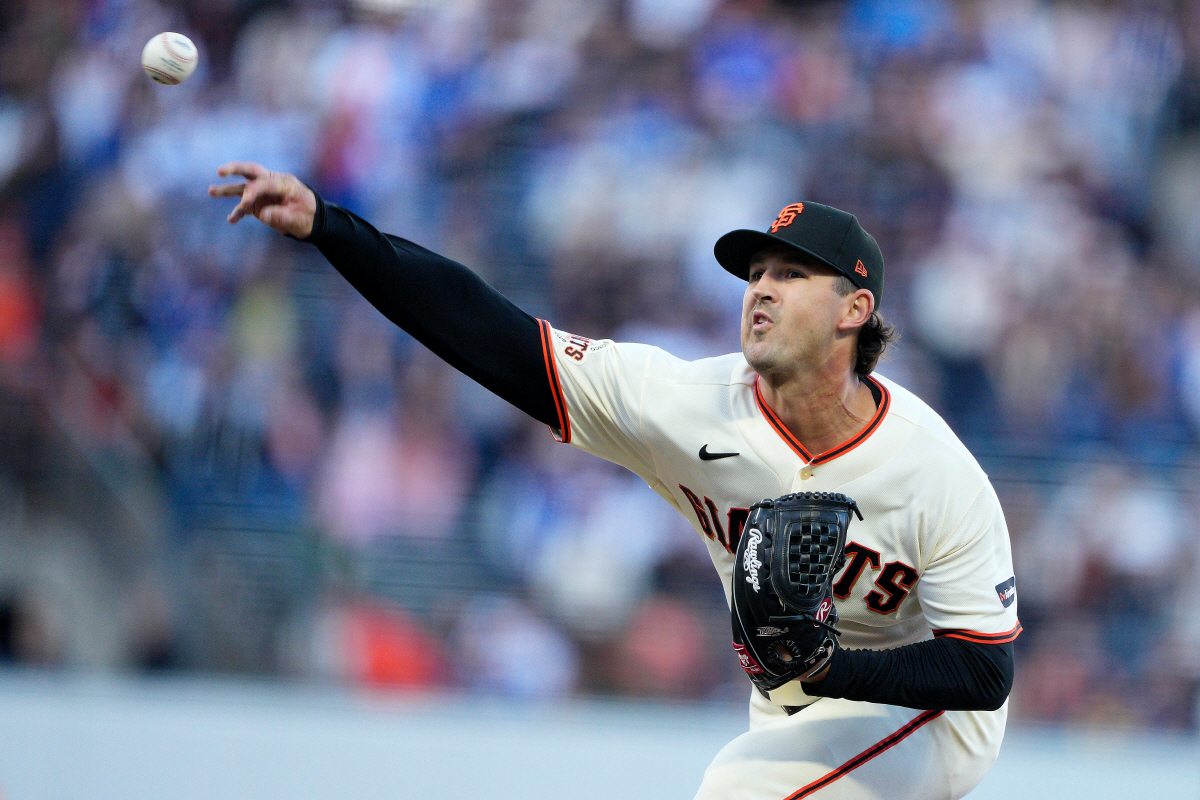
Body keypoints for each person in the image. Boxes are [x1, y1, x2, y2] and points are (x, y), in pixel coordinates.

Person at [210, 163, 1020, 800]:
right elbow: (490, 332)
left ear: (855, 311)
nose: (761, 288)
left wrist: (831, 668)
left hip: (931, 713)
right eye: (755, 272)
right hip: (798, 703)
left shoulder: (933, 471)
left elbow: (984, 673)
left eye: (792, 274)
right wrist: (330, 227)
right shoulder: (684, 405)